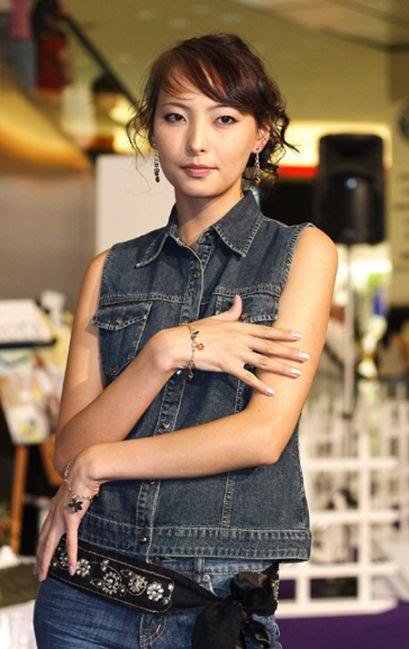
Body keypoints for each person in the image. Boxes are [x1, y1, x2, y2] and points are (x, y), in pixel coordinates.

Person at [33, 32, 338, 648]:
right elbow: (71, 448)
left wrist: (101, 463)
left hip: (212, 602)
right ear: (152, 132)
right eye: (176, 117)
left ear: (260, 133)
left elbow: (261, 435)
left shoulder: (300, 252)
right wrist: (164, 352)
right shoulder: (110, 269)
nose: (197, 142)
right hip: (83, 597)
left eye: (224, 119)